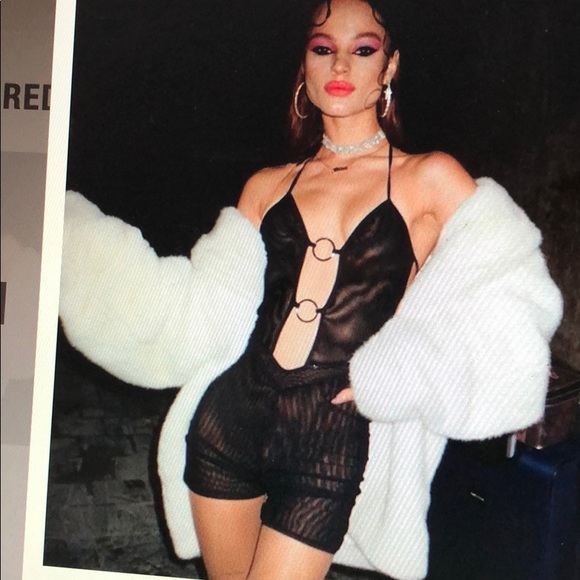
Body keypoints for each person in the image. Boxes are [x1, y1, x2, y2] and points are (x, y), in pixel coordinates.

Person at [58, 1, 563, 579]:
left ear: (390, 66)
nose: (340, 63)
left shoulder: (430, 178)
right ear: (304, 64)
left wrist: (398, 375)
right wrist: (71, 242)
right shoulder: (266, 186)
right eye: (323, 48)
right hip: (229, 424)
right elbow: (203, 310)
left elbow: (510, 290)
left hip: (328, 441)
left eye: (363, 48)